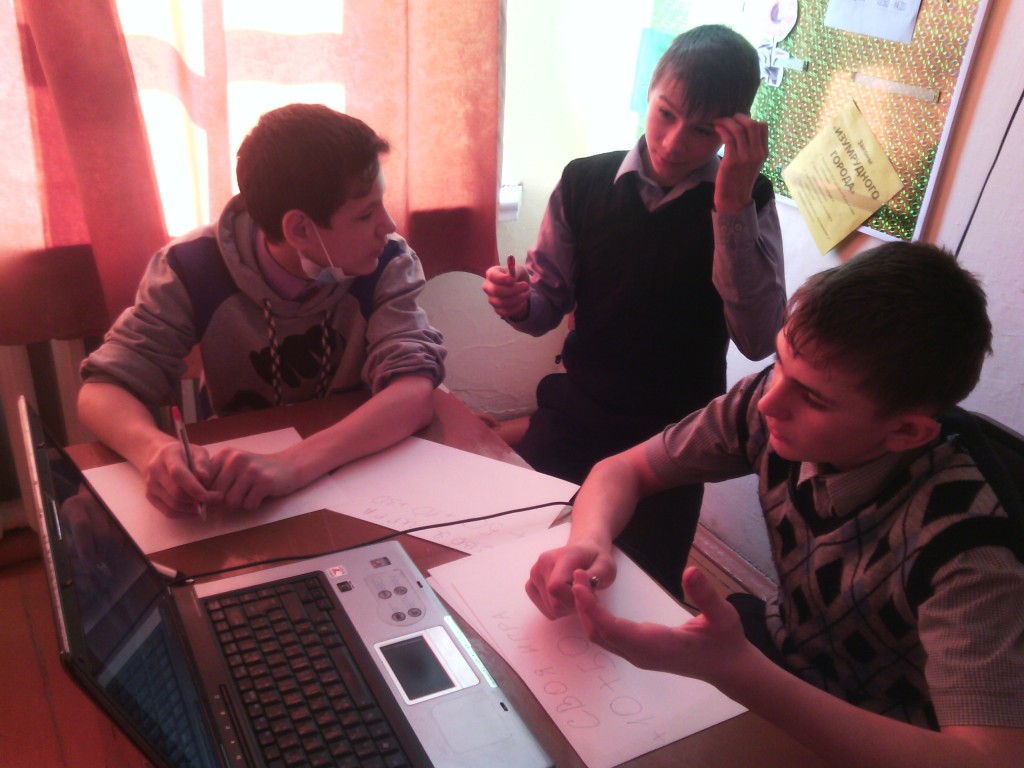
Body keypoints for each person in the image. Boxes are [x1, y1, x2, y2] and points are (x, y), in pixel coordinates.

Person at [526, 242, 1024, 766]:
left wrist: (737, 671)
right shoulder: (767, 403)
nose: (769, 400)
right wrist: (590, 541)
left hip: (885, 736)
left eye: (814, 398)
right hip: (779, 660)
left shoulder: (971, 549)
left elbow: (991, 758)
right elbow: (623, 470)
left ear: (905, 432)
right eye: (780, 360)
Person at [482, 25, 785, 597]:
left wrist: (730, 207)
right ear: (649, 91)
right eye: (666, 114)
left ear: (736, 129)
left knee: (643, 591)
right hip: (577, 410)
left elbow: (758, 337)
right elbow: (547, 305)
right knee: (514, 557)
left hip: (674, 439)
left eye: (702, 130)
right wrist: (519, 303)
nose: (673, 142)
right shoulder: (585, 181)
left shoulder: (751, 200)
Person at [78, 104, 446, 518]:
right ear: (300, 229)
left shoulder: (387, 261)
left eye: (382, 203)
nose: (389, 225)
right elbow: (101, 390)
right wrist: (153, 450)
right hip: (240, 484)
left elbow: (414, 392)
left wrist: (291, 465)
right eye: (365, 214)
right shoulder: (190, 266)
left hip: (363, 467)